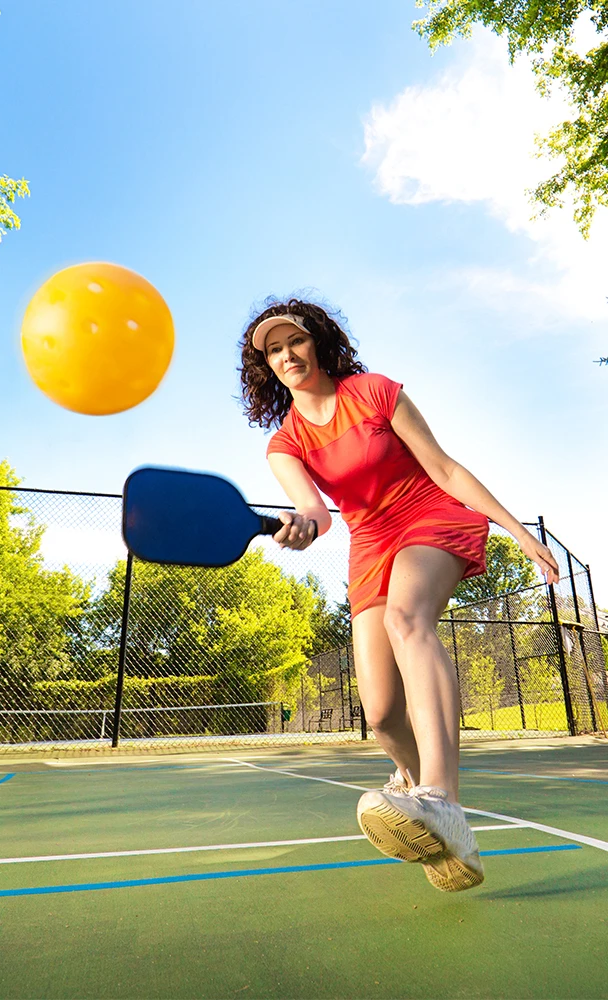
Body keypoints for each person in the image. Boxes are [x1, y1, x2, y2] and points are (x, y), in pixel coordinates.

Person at [239, 298, 559, 892]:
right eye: (274, 350)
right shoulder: (285, 443)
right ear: (266, 367)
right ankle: (435, 817)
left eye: (296, 342)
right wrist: (303, 524)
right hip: (369, 542)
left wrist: (519, 532)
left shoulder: (375, 392)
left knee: (408, 621)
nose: (287, 356)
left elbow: (443, 467)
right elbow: (315, 511)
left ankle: (440, 797)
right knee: (383, 714)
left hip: (428, 516)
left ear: (319, 343)